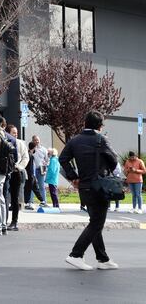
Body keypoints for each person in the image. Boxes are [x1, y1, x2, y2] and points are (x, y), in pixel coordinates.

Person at [60, 110, 120, 270]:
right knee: (97, 223)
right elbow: (114, 161)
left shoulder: (74, 141)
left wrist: (74, 177)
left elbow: (63, 159)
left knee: (95, 222)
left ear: (85, 123)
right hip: (99, 187)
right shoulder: (102, 139)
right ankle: (76, 254)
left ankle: (103, 258)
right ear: (100, 126)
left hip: (84, 187)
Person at [6, 124, 30, 231]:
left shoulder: (20, 143)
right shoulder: (5, 142)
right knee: (5, 197)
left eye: (16, 133)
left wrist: (19, 167)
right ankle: (3, 220)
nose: (15, 134)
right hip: (6, 172)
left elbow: (26, 157)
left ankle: (14, 222)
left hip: (16, 172)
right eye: (13, 133)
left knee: (15, 198)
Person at [27, 135, 48, 208]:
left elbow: (47, 160)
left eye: (38, 140)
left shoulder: (44, 149)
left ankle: (43, 202)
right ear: (32, 141)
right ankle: (30, 202)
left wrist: (46, 165)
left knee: (42, 186)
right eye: (35, 140)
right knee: (32, 186)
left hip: (41, 169)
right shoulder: (31, 150)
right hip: (32, 170)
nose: (37, 141)